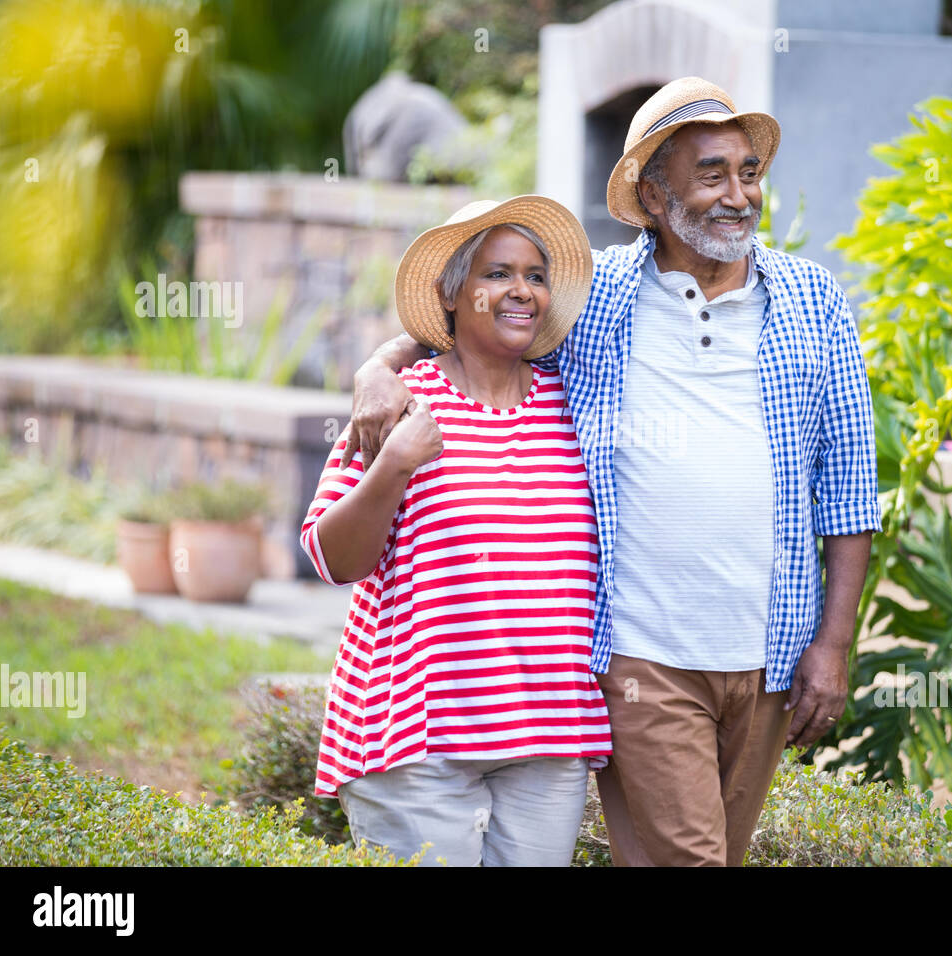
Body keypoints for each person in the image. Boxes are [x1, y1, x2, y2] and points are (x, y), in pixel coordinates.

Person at [346, 77, 881, 866]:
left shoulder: (813, 299)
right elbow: (480, 322)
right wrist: (380, 364)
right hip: (643, 654)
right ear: (655, 195)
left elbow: (849, 485)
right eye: (712, 174)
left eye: (749, 172)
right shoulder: (596, 296)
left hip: (769, 647)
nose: (739, 195)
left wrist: (831, 647)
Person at [300, 196, 611, 866]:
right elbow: (332, 558)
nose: (522, 290)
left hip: (548, 736)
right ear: (451, 292)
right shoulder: (400, 401)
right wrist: (393, 464)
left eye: (534, 274)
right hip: (417, 738)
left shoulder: (574, 400)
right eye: (497, 274)